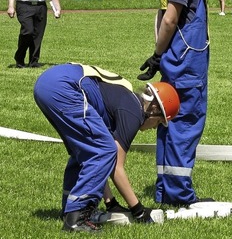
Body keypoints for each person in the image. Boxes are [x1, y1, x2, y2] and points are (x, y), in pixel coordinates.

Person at [138, 0, 221, 206]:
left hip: (179, 56)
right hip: (186, 60)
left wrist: (159, 55)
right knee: (185, 124)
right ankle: (179, 195)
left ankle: (167, 190)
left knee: (170, 122)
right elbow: (171, 17)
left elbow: (161, 14)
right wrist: (158, 55)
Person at [34, 63, 180, 232]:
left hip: (48, 83)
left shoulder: (124, 100)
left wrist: (111, 203)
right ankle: (77, 218)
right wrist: (139, 211)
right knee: (104, 150)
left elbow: (101, 164)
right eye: (160, 121)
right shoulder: (134, 112)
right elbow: (115, 165)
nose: (155, 127)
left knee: (85, 153)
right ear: (154, 108)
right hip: (64, 86)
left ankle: (69, 209)